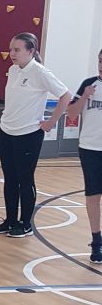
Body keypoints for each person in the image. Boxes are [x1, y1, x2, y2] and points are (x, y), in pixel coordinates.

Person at [0, 32, 71, 239]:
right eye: (11, 49)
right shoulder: (13, 70)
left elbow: (65, 95)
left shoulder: (40, 72)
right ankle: (11, 220)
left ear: (31, 51)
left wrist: (51, 122)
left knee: (25, 179)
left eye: (17, 50)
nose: (12, 53)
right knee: (10, 179)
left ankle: (26, 224)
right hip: (7, 131)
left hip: (28, 135)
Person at [67, 46, 102, 264]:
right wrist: (84, 97)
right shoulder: (88, 84)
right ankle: (96, 240)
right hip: (90, 148)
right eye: (100, 60)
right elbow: (71, 113)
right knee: (93, 195)